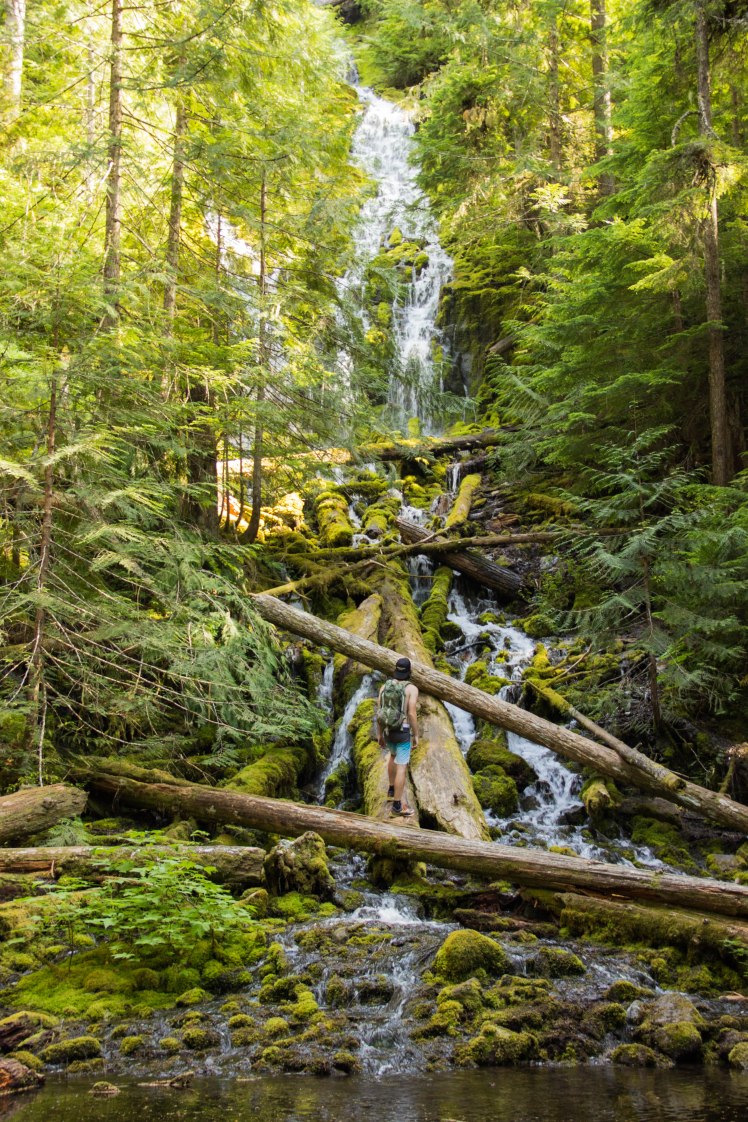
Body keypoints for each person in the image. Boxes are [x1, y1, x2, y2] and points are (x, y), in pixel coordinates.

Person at [376, 656, 419, 817]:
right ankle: (397, 806)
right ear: (409, 672)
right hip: (402, 732)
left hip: (388, 731)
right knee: (402, 766)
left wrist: (379, 734)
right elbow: (412, 713)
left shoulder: (384, 687)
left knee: (392, 756)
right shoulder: (411, 689)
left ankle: (391, 788)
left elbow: (380, 712)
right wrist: (416, 735)